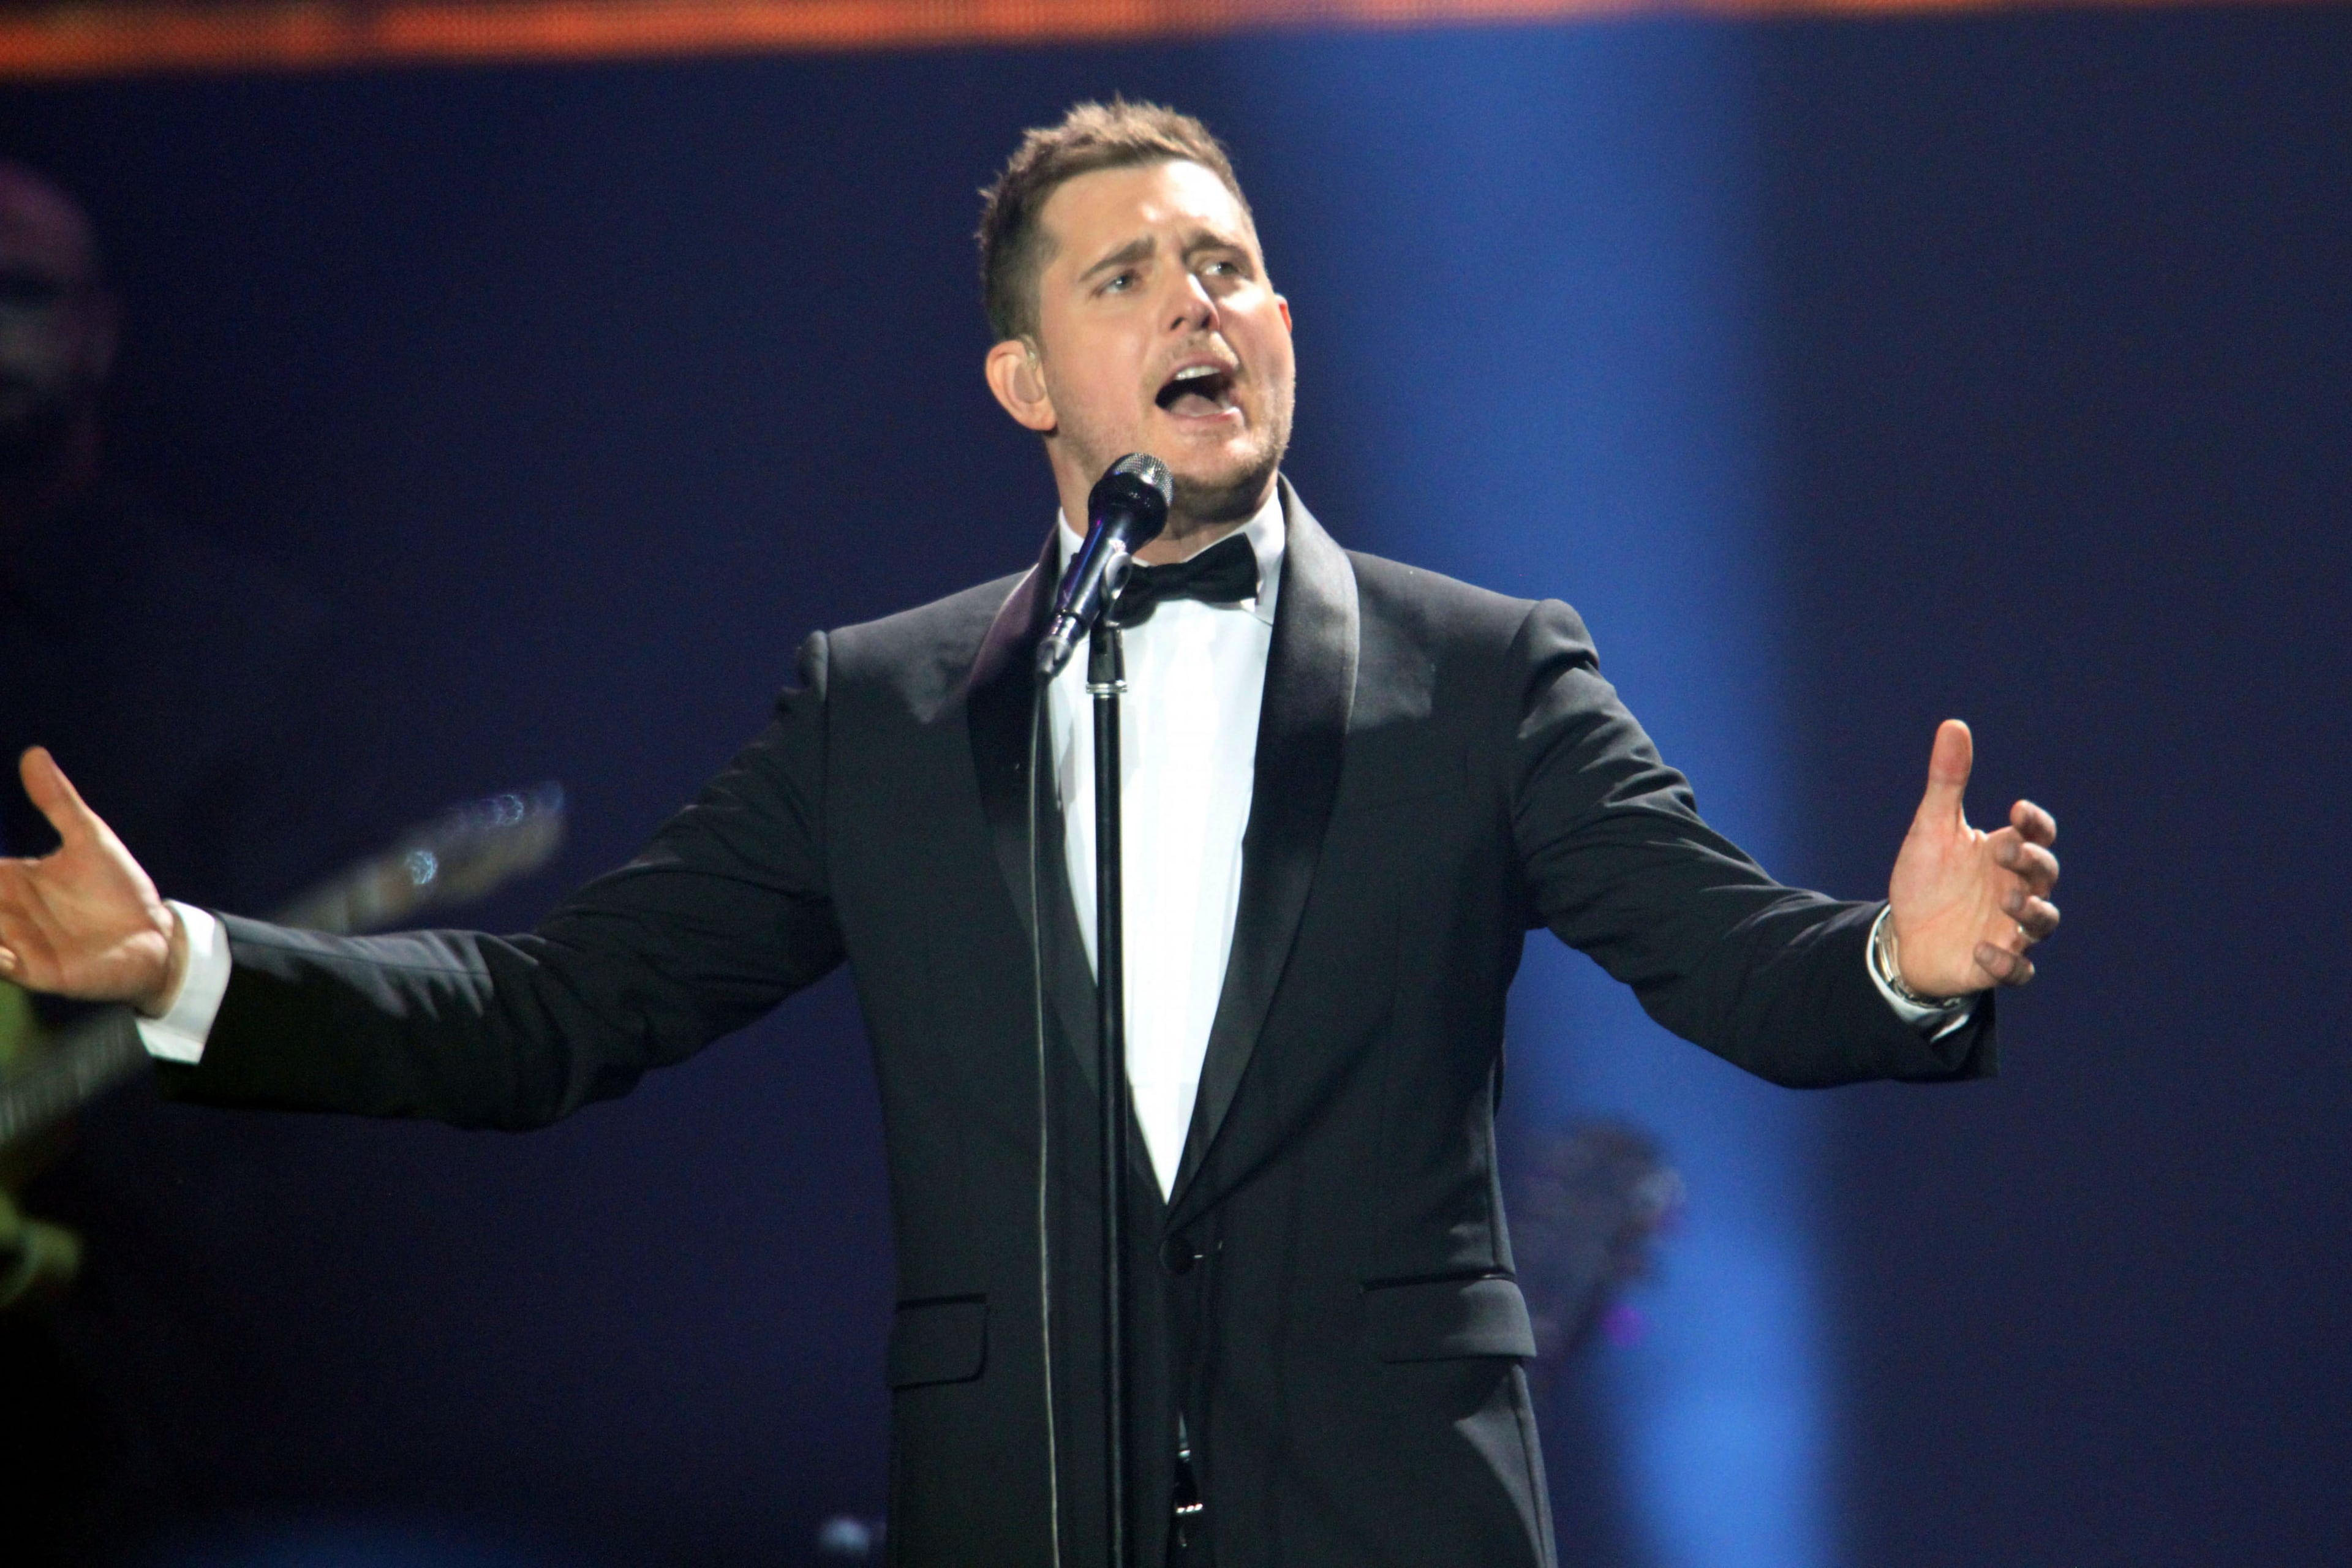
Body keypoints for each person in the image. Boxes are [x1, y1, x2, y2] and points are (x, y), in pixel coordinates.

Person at [0, 104, 2060, 1568]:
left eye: (1231, 267)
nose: (1199, 303)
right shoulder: (889, 710)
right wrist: (184, 962)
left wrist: (1898, 960)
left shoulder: (1488, 675)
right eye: (1130, 272)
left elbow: (1726, 955)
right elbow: (556, 1015)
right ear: (1024, 376)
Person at [0, 159, 385, 1563]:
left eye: (20, 295)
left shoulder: (241, 658)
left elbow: (313, 1104)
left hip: (142, 1434)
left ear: (99, 330)